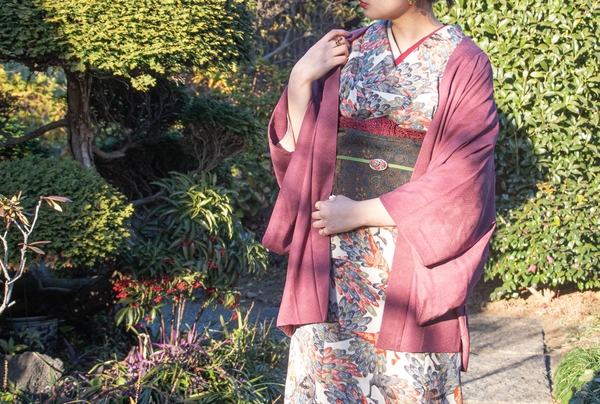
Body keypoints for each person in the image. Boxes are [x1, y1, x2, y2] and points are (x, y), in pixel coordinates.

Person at [262, 0, 499, 402]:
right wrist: (299, 80)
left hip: (406, 255)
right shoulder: (346, 49)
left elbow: (464, 173)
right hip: (332, 256)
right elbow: (308, 161)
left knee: (405, 383)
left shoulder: (464, 61)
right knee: (329, 379)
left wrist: (358, 213)